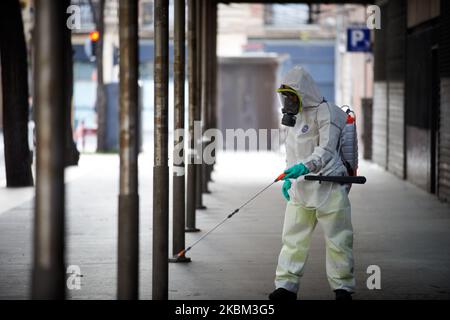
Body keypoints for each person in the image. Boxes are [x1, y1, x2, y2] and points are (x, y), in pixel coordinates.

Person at [269, 66, 355, 301]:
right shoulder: (294, 119)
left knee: (339, 239)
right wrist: (289, 176)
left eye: (290, 96)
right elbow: (292, 151)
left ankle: (343, 288)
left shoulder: (329, 113)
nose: (286, 102)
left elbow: (326, 150)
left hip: (329, 185)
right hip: (301, 188)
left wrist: (304, 167)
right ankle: (286, 286)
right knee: (293, 239)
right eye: (283, 96)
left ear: (303, 93)